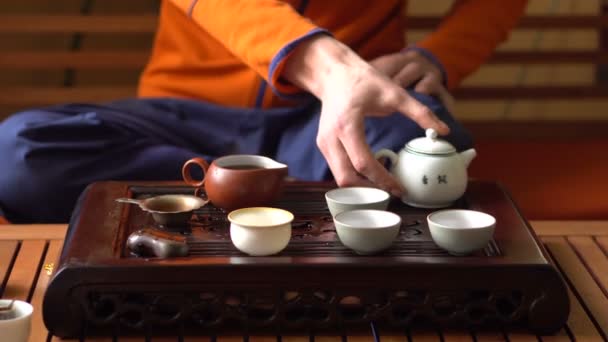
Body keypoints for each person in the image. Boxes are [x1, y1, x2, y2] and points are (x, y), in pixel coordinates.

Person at [0, 0, 528, 223]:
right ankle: (278, 195)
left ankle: (232, 198)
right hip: (182, 116)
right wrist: (329, 66)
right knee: (17, 156)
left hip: (335, 117)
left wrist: (438, 56)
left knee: (432, 160)